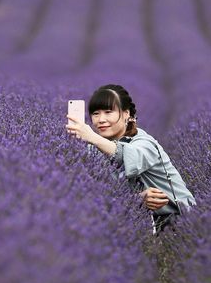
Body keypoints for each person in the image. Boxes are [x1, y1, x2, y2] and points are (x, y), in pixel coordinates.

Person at [65, 84, 196, 235]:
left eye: (108, 112)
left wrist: (91, 137)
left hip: (180, 219)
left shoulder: (145, 143)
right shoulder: (94, 149)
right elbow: (101, 194)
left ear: (126, 114)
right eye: (95, 114)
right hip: (145, 223)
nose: (101, 119)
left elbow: (128, 157)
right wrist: (137, 199)